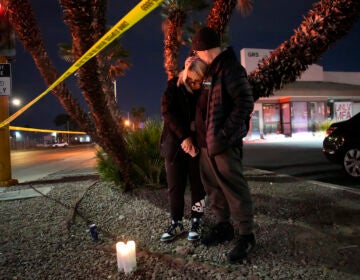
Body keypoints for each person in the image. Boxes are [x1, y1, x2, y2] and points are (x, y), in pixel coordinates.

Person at [189, 27, 255, 263]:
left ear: (204, 49)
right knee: (214, 189)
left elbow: (245, 103)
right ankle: (223, 226)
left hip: (223, 144)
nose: (196, 55)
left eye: (196, 51)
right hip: (207, 144)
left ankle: (246, 236)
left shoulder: (231, 69)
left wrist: (225, 134)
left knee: (234, 190)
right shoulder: (210, 72)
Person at [159, 56, 208, 242]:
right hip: (175, 145)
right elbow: (168, 112)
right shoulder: (174, 87)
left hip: (197, 146)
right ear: (185, 73)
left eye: (198, 81)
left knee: (199, 186)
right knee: (175, 187)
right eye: (191, 80)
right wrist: (185, 137)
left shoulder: (204, 90)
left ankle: (197, 220)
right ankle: (176, 222)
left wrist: (194, 137)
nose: (194, 84)